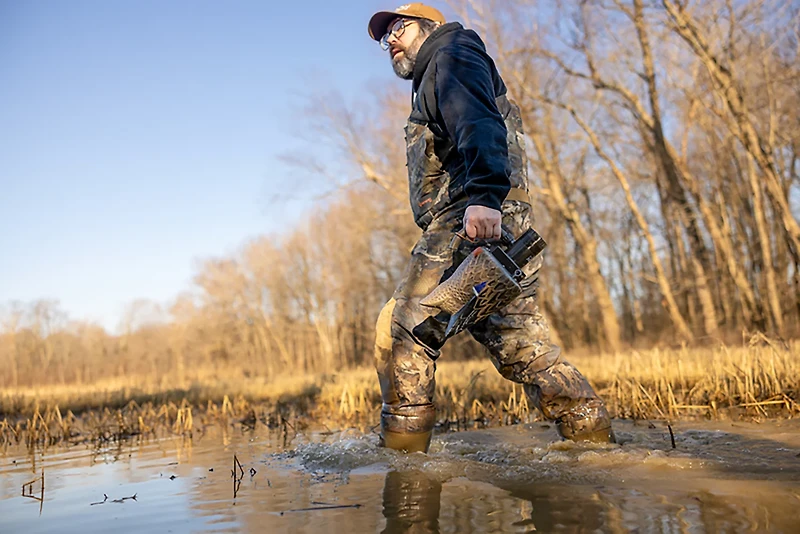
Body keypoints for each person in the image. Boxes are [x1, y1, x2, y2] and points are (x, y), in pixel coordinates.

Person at [367, 3, 615, 453]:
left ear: (430, 26)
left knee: (403, 329)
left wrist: (483, 197)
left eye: (398, 27)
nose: (391, 41)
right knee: (521, 345)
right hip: (495, 220)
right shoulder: (437, 69)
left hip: (474, 216)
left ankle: (404, 472)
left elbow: (477, 122)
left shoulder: (451, 51)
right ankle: (596, 447)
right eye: (385, 38)